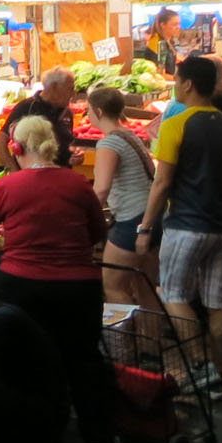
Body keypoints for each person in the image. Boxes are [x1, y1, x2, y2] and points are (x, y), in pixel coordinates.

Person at [0, 116, 119, 443]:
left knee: (31, 364)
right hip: (80, 288)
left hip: (23, 288)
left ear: (16, 148)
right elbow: (96, 230)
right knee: (84, 359)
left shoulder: (9, 186)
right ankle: (100, 440)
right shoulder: (77, 184)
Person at [139, 56, 222, 402]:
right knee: (219, 300)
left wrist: (145, 227)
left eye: (177, 80)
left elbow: (162, 182)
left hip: (187, 225)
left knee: (174, 295)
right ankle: (218, 376)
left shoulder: (177, 124)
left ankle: (200, 368)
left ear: (187, 84)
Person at [87, 88, 156, 309]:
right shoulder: (130, 135)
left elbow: (101, 189)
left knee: (113, 286)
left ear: (98, 111)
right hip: (152, 216)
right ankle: (150, 342)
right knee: (145, 287)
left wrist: (87, 220)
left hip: (131, 219)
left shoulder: (108, 143)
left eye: (88, 111)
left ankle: (122, 342)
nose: (87, 115)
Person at [0, 68, 75, 171]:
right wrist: (14, 171)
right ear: (55, 87)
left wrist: (76, 156)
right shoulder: (27, 107)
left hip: (61, 177)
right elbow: (0, 142)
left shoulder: (67, 112)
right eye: (70, 88)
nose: (73, 93)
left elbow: (68, 145)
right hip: (31, 178)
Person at [135, 9, 183, 75]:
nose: (178, 27)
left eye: (179, 24)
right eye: (174, 24)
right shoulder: (157, 43)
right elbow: (159, 73)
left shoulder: (170, 41)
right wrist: (178, 80)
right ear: (163, 25)